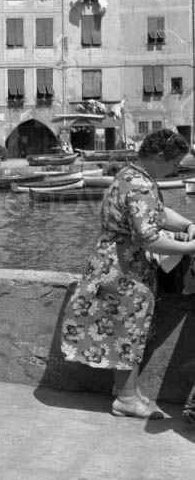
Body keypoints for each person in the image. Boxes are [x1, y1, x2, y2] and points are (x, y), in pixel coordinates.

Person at [60, 129, 195, 419]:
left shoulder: (129, 175)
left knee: (126, 329)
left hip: (112, 263)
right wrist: (191, 247)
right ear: (159, 156)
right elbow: (149, 238)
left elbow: (157, 213)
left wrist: (187, 225)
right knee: (128, 332)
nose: (176, 169)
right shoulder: (141, 185)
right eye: (174, 163)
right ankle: (126, 399)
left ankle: (129, 393)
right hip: (124, 271)